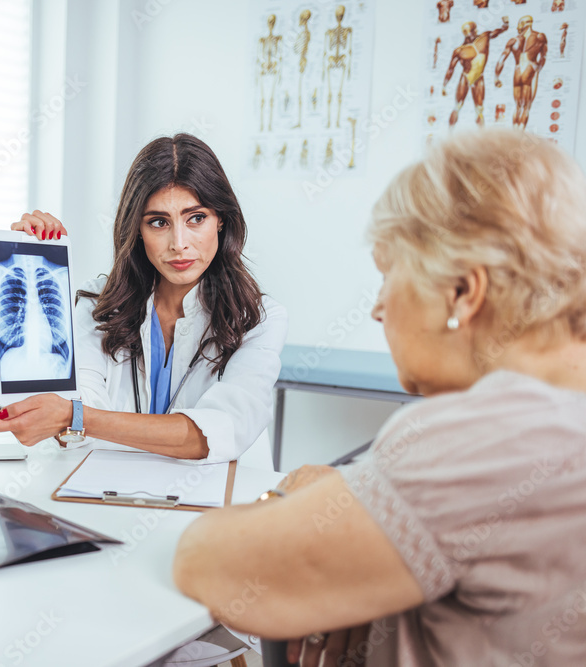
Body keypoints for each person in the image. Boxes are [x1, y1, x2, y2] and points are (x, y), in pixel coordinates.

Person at [173, 129, 586, 665]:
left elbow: (209, 562)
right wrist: (359, 498)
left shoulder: (490, 433)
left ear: (463, 291)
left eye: (389, 276)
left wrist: (290, 500)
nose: (378, 308)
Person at [0, 133, 287, 462]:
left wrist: (75, 417)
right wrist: (36, 269)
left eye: (196, 218)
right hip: (110, 496)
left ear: (221, 221)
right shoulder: (98, 304)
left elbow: (217, 433)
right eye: (158, 222)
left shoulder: (258, 319)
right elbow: (74, 411)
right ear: (137, 230)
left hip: (220, 501)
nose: (179, 243)